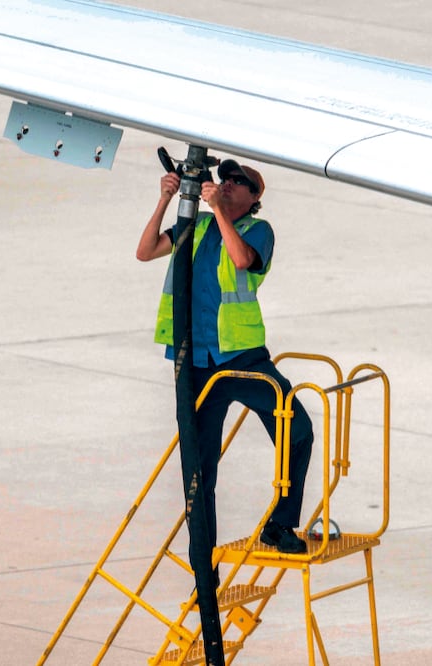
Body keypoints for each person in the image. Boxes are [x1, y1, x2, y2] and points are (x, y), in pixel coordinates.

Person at [136, 158, 313, 554]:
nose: (228, 183)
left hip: (243, 358)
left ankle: (281, 524)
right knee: (199, 469)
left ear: (254, 197)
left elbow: (241, 260)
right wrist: (165, 200)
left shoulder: (258, 230)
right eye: (225, 178)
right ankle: (204, 566)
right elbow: (145, 252)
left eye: (238, 181)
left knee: (297, 430)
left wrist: (216, 208)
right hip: (197, 361)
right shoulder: (196, 225)